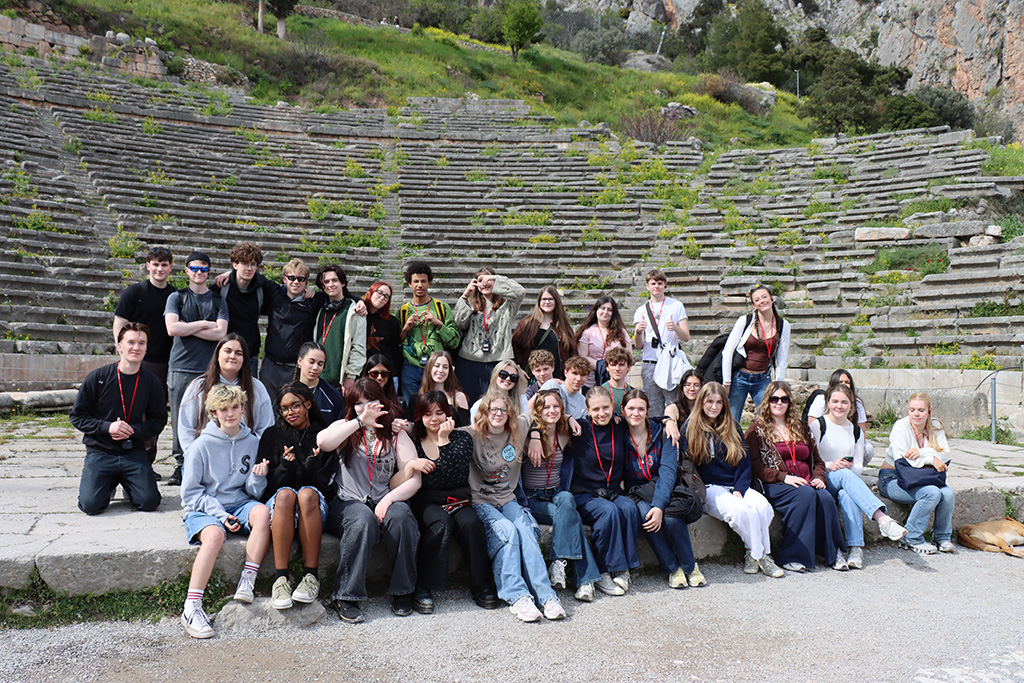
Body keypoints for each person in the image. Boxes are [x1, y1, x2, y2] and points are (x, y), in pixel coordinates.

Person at [317, 378, 422, 623]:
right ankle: (345, 595)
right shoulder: (346, 427)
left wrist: (388, 500)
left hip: (384, 498)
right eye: (359, 404)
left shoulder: (394, 434)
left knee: (402, 517)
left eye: (371, 401)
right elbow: (323, 442)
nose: (366, 408)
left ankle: (403, 590)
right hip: (347, 502)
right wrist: (357, 422)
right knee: (362, 519)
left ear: (383, 403)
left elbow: (413, 479)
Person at [392, 391, 498, 613]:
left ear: (448, 414)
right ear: (419, 417)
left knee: (472, 524)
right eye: (428, 414)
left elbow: (452, 473)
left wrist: (442, 441)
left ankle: (481, 584)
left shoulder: (461, 438)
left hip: (458, 499)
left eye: (440, 413)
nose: (434, 419)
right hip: (427, 502)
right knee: (440, 523)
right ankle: (423, 586)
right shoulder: (414, 442)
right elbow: (411, 480)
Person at [179, 384, 270, 639]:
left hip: (238, 502)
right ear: (214, 413)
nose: (230, 413)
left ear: (243, 409)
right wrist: (220, 515)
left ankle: (247, 579)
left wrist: (258, 478)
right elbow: (190, 494)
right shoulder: (200, 447)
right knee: (216, 536)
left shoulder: (252, 442)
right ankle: (192, 606)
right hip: (204, 506)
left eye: (235, 407)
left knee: (263, 512)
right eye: (223, 409)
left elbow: (252, 492)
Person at [468, 391, 566, 622]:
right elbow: (433, 431)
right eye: (493, 410)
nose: (498, 414)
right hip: (482, 501)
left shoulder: (519, 428)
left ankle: (546, 595)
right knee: (508, 532)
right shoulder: (471, 435)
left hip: (508, 498)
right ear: (484, 412)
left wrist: (534, 434)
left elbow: (540, 401)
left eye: (503, 410)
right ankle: (517, 595)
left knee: (525, 530)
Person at [680, 382, 782, 578]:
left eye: (719, 402)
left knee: (763, 508)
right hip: (709, 488)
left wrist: (739, 488)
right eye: (710, 401)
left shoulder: (732, 426)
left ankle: (752, 555)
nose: (714, 407)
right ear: (701, 402)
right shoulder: (690, 428)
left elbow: (744, 462)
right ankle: (763, 556)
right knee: (742, 512)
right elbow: (686, 465)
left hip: (735, 484)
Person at [746, 381, 847, 572]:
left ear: (789, 402)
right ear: (767, 402)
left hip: (807, 483)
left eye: (784, 399)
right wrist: (783, 477)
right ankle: (791, 556)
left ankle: (833, 553)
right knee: (805, 495)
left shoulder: (801, 427)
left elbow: (817, 461)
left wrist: (819, 477)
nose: (779, 403)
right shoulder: (756, 430)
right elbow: (755, 467)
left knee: (825, 498)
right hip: (775, 484)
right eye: (774, 399)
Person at [71, 322, 165, 515]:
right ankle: (109, 483)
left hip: (133, 451)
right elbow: (78, 416)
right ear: (119, 346)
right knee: (90, 505)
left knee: (149, 502)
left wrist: (135, 431)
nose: (136, 347)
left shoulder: (151, 381)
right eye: (130, 342)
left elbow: (159, 420)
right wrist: (107, 427)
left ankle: (129, 484)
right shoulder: (97, 377)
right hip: (101, 451)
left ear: (147, 348)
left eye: (142, 343)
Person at [809, 384, 907, 569]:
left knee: (848, 495)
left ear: (851, 405)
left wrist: (849, 466)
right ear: (828, 402)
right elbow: (811, 461)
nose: (839, 406)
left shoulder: (855, 430)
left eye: (844, 402)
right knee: (843, 474)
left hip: (845, 480)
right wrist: (832, 465)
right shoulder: (818, 425)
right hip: (824, 479)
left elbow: (859, 465)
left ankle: (855, 549)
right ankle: (882, 519)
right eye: (835, 401)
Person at [259, 382, 338, 610]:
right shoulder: (272, 435)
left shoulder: (323, 437)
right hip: (281, 508)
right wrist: (285, 467)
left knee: (306, 494)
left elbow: (327, 487)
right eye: (284, 408)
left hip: (313, 506)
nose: (290, 412)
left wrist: (312, 467)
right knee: (284, 495)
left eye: (295, 406)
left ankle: (310, 577)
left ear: (308, 405)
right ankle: (281, 579)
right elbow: (268, 487)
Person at [522, 389, 602, 602]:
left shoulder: (564, 434)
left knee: (567, 499)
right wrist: (535, 434)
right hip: (533, 499)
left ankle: (558, 563)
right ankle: (586, 580)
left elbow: (589, 425)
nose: (551, 410)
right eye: (546, 407)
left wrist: (569, 418)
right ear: (537, 410)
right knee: (571, 518)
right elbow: (521, 418)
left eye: (556, 406)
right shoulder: (527, 435)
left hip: (557, 495)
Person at [621, 389, 705, 588]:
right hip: (637, 491)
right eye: (631, 408)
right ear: (623, 411)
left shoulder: (663, 431)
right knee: (645, 514)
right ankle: (672, 568)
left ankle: (690, 566)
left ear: (648, 411)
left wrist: (659, 505)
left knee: (671, 517)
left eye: (641, 409)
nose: (636, 413)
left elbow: (668, 472)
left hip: (664, 485)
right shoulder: (618, 434)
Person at [164, 250, 229, 485]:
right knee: (180, 418)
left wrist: (187, 326)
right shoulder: (176, 297)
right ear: (187, 271)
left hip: (209, 368)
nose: (199, 273)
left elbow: (221, 333)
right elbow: (172, 329)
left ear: (209, 272)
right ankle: (180, 465)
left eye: (203, 269)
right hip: (181, 366)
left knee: (210, 417)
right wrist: (203, 324)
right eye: (194, 269)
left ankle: (206, 463)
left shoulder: (218, 300)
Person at [570, 386, 641, 595]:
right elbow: (545, 418)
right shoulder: (579, 429)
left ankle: (623, 568)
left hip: (612, 492)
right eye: (596, 409)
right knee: (608, 512)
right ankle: (604, 571)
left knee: (628, 507)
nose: (601, 413)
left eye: (606, 408)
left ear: (613, 407)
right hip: (585, 493)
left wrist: (669, 420)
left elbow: (650, 421)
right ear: (588, 410)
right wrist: (566, 417)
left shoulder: (619, 426)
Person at [113, 247, 174, 469]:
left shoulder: (174, 295)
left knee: (156, 414)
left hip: (167, 362)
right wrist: (123, 354)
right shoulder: (136, 292)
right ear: (148, 266)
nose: (159, 269)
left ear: (170, 267)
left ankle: (147, 463)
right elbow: (119, 323)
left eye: (164, 264)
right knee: (136, 412)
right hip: (141, 361)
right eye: (155, 264)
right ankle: (133, 461)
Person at [879, 393, 956, 555]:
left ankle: (942, 537)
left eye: (921, 410)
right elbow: (903, 460)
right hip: (893, 478)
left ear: (929, 410)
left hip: (921, 477)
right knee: (932, 493)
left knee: (948, 494)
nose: (916, 414)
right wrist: (931, 458)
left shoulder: (935, 426)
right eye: (912, 409)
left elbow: (945, 455)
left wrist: (924, 453)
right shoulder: (901, 426)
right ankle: (911, 536)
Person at [178, 334, 273, 454]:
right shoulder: (198, 386)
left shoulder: (257, 387)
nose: (232, 356)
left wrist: (252, 452)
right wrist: (194, 454)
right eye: (228, 351)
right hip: (205, 455)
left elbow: (266, 427)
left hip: (245, 456)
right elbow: (186, 428)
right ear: (217, 355)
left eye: (239, 353)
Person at [454, 267, 526, 403]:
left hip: (499, 361)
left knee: (496, 402)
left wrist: (495, 279)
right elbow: (458, 323)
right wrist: (465, 295)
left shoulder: (507, 306)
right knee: (467, 402)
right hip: (469, 361)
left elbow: (520, 292)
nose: (484, 284)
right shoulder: (470, 304)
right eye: (480, 280)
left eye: (487, 280)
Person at [722, 285, 791, 423]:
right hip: (739, 378)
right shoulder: (745, 321)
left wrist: (778, 385)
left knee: (768, 420)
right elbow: (728, 351)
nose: (762, 301)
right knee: (732, 420)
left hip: (762, 379)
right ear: (754, 305)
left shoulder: (783, 325)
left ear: (771, 299)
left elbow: (781, 359)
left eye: (765, 297)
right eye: (757, 299)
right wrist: (727, 382)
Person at [261, 258, 327, 400]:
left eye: (300, 279)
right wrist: (228, 274)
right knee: (266, 406)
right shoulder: (275, 294)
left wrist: (359, 302)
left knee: (292, 408)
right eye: (291, 278)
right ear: (284, 279)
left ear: (306, 282)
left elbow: (339, 294)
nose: (296, 282)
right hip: (271, 364)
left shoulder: (313, 301)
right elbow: (252, 276)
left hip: (295, 368)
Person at [210, 243, 278, 378]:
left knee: (248, 397)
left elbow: (288, 290)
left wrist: (307, 290)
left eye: (253, 264)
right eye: (245, 264)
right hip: (224, 353)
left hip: (249, 353)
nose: (249, 268)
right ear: (235, 265)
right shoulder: (221, 287)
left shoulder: (263, 287)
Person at [398, 262, 460, 404]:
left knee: (435, 406)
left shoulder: (441, 308)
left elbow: (454, 341)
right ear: (409, 284)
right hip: (410, 367)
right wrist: (405, 329)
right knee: (412, 407)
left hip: (436, 367)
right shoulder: (402, 311)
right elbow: (397, 342)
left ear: (429, 283)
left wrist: (438, 323)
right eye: (416, 281)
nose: (420, 285)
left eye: (423, 281)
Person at [632, 270, 689, 419]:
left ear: (665, 285)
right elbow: (638, 345)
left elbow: (686, 336)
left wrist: (675, 328)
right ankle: (656, 439)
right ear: (647, 286)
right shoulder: (641, 310)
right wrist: (638, 332)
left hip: (670, 362)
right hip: (650, 362)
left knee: (674, 403)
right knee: (653, 406)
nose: (656, 286)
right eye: (653, 283)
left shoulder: (676, 305)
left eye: (659, 283)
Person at [805, 369, 874, 465]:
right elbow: (811, 427)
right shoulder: (821, 400)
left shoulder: (857, 403)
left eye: (847, 382)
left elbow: (862, 431)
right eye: (840, 382)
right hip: (825, 449)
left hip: (848, 442)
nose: (844, 384)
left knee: (868, 449)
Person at [315, 264, 366, 391]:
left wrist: (351, 376)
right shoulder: (319, 308)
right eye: (326, 282)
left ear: (343, 283)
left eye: (334, 280)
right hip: (317, 378)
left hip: (340, 382)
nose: (330, 284)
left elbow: (358, 347)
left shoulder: (355, 311)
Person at [512, 285, 575, 381]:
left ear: (556, 301)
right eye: (544, 299)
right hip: (532, 379)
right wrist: (518, 368)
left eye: (550, 299)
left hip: (558, 378)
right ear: (539, 302)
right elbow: (515, 347)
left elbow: (572, 352)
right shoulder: (527, 324)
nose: (547, 302)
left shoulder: (563, 326)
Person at [576, 294, 632, 391]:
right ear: (597, 310)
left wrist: (612, 367)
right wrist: (601, 366)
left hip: (616, 380)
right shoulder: (587, 332)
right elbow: (583, 356)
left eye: (609, 310)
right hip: (592, 381)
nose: (605, 312)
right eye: (603, 308)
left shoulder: (621, 332)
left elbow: (629, 355)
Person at [408, 350, 470, 427]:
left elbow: (465, 428)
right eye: (436, 366)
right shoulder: (416, 398)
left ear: (450, 371)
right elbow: (414, 427)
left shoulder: (458, 397)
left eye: (445, 367)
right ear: (429, 368)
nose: (440, 370)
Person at [294, 341, 345, 424]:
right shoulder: (288, 392)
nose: (315, 367)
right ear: (300, 361)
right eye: (311, 362)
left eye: (320, 364)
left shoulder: (332, 395)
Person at [363, 281, 403, 376]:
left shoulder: (391, 321)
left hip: (387, 373)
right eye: (379, 293)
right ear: (371, 292)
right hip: (364, 372)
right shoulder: (358, 316)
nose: (382, 298)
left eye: (386, 296)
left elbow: (396, 351)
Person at [539, 355, 590, 421]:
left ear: (587, 377)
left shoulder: (584, 402)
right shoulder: (552, 385)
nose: (578, 379)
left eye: (583, 375)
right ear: (566, 372)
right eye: (575, 373)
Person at [663, 370, 703, 446]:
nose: (692, 389)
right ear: (682, 387)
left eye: (696, 385)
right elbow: (669, 413)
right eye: (688, 385)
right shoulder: (675, 407)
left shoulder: (705, 407)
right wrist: (670, 422)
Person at [599, 345, 636, 415]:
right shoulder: (600, 391)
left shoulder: (633, 392)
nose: (617, 369)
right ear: (607, 367)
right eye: (613, 365)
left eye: (621, 365)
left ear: (628, 367)